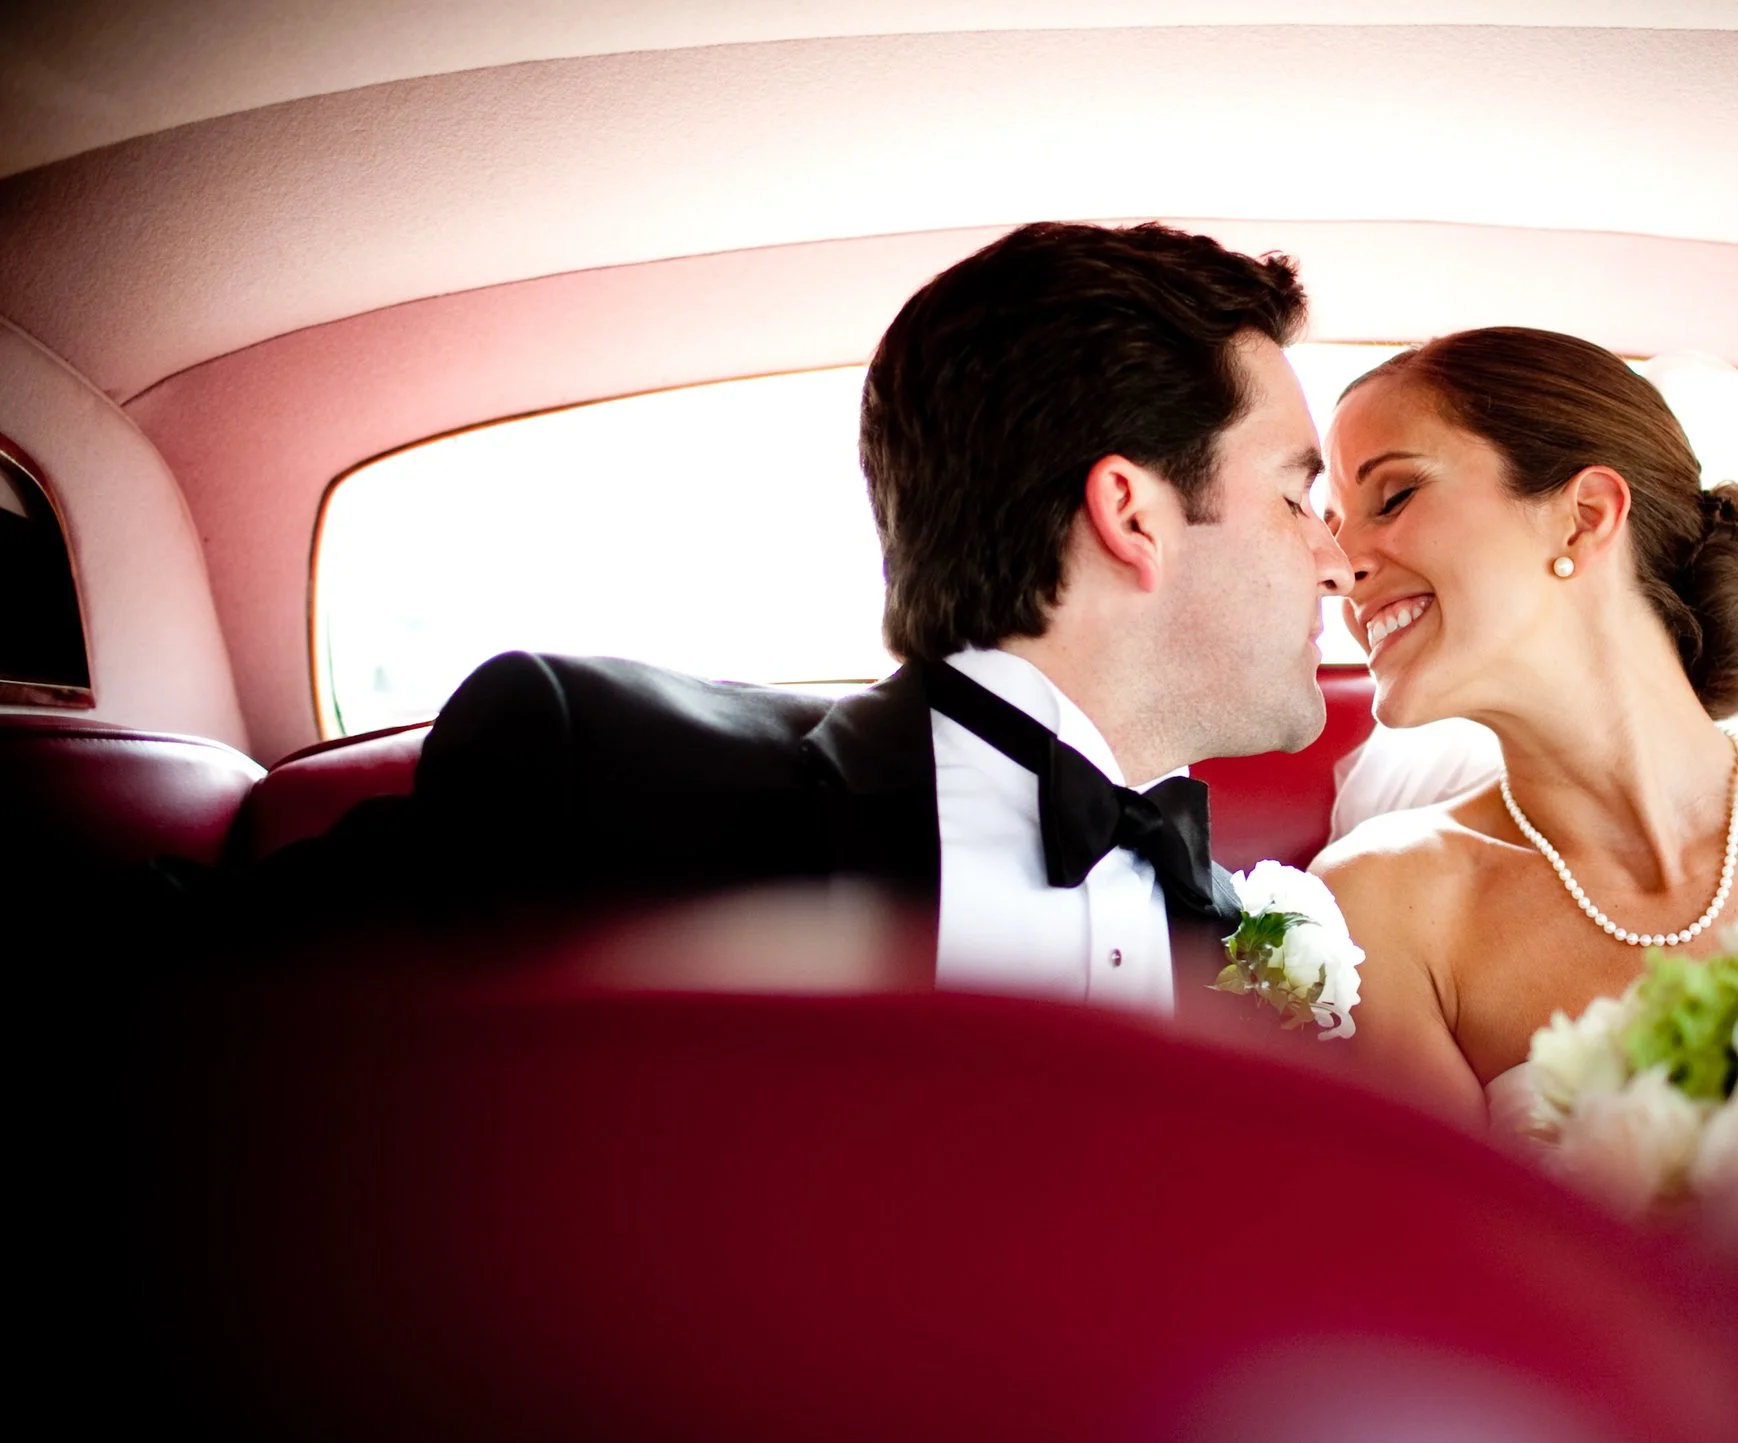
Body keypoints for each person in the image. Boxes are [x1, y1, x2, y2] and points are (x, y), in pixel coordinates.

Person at [244, 222, 1356, 1014]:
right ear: (1132, 513)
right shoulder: (602, 780)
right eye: (1297, 498)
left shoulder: (1247, 950)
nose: (1336, 559)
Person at [1311, 328, 1738, 1118]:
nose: (1336, 568)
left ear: (1584, 515)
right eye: (1331, 524)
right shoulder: (1381, 906)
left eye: (1394, 496)